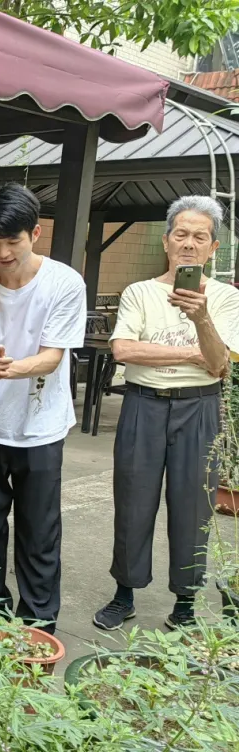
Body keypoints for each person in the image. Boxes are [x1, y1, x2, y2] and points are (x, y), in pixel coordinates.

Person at [93, 196, 239, 631]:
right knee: (133, 501)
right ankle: (125, 592)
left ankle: (187, 599)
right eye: (181, 234)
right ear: (166, 241)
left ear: (213, 248)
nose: (189, 244)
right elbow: (123, 349)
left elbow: (219, 363)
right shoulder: (140, 291)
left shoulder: (227, 298)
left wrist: (203, 321)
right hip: (143, 404)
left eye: (199, 237)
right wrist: (193, 353)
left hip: (199, 408)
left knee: (194, 505)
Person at [0, 183, 86, 639]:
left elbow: (51, 357)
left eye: (13, 241)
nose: (2, 252)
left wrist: (5, 369)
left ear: (36, 234)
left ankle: (37, 621)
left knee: (39, 529)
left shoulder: (65, 283)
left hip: (41, 427)